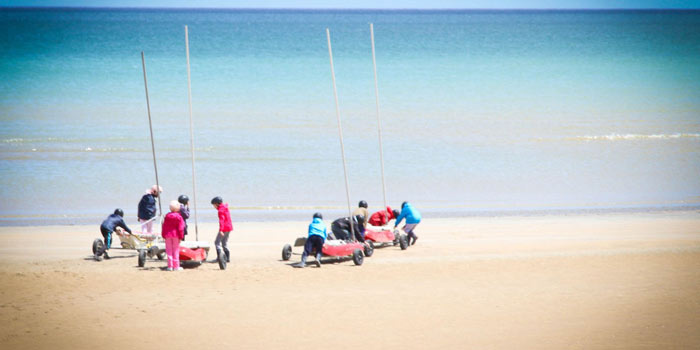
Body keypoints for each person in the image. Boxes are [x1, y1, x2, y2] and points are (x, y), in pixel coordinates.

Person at [161, 200, 185, 271]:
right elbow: (181, 228)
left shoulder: (167, 216)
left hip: (168, 235)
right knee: (176, 250)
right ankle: (176, 266)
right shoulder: (179, 217)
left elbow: (164, 226)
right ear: (177, 208)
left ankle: (170, 266)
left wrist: (163, 235)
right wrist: (181, 236)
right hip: (176, 235)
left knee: (169, 250)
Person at [211, 196, 233, 263]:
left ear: (217, 204)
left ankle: (219, 258)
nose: (214, 207)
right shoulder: (225, 207)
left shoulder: (220, 210)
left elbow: (222, 220)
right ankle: (227, 258)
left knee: (217, 242)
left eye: (214, 205)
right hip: (229, 227)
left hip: (224, 228)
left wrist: (221, 230)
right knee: (224, 243)